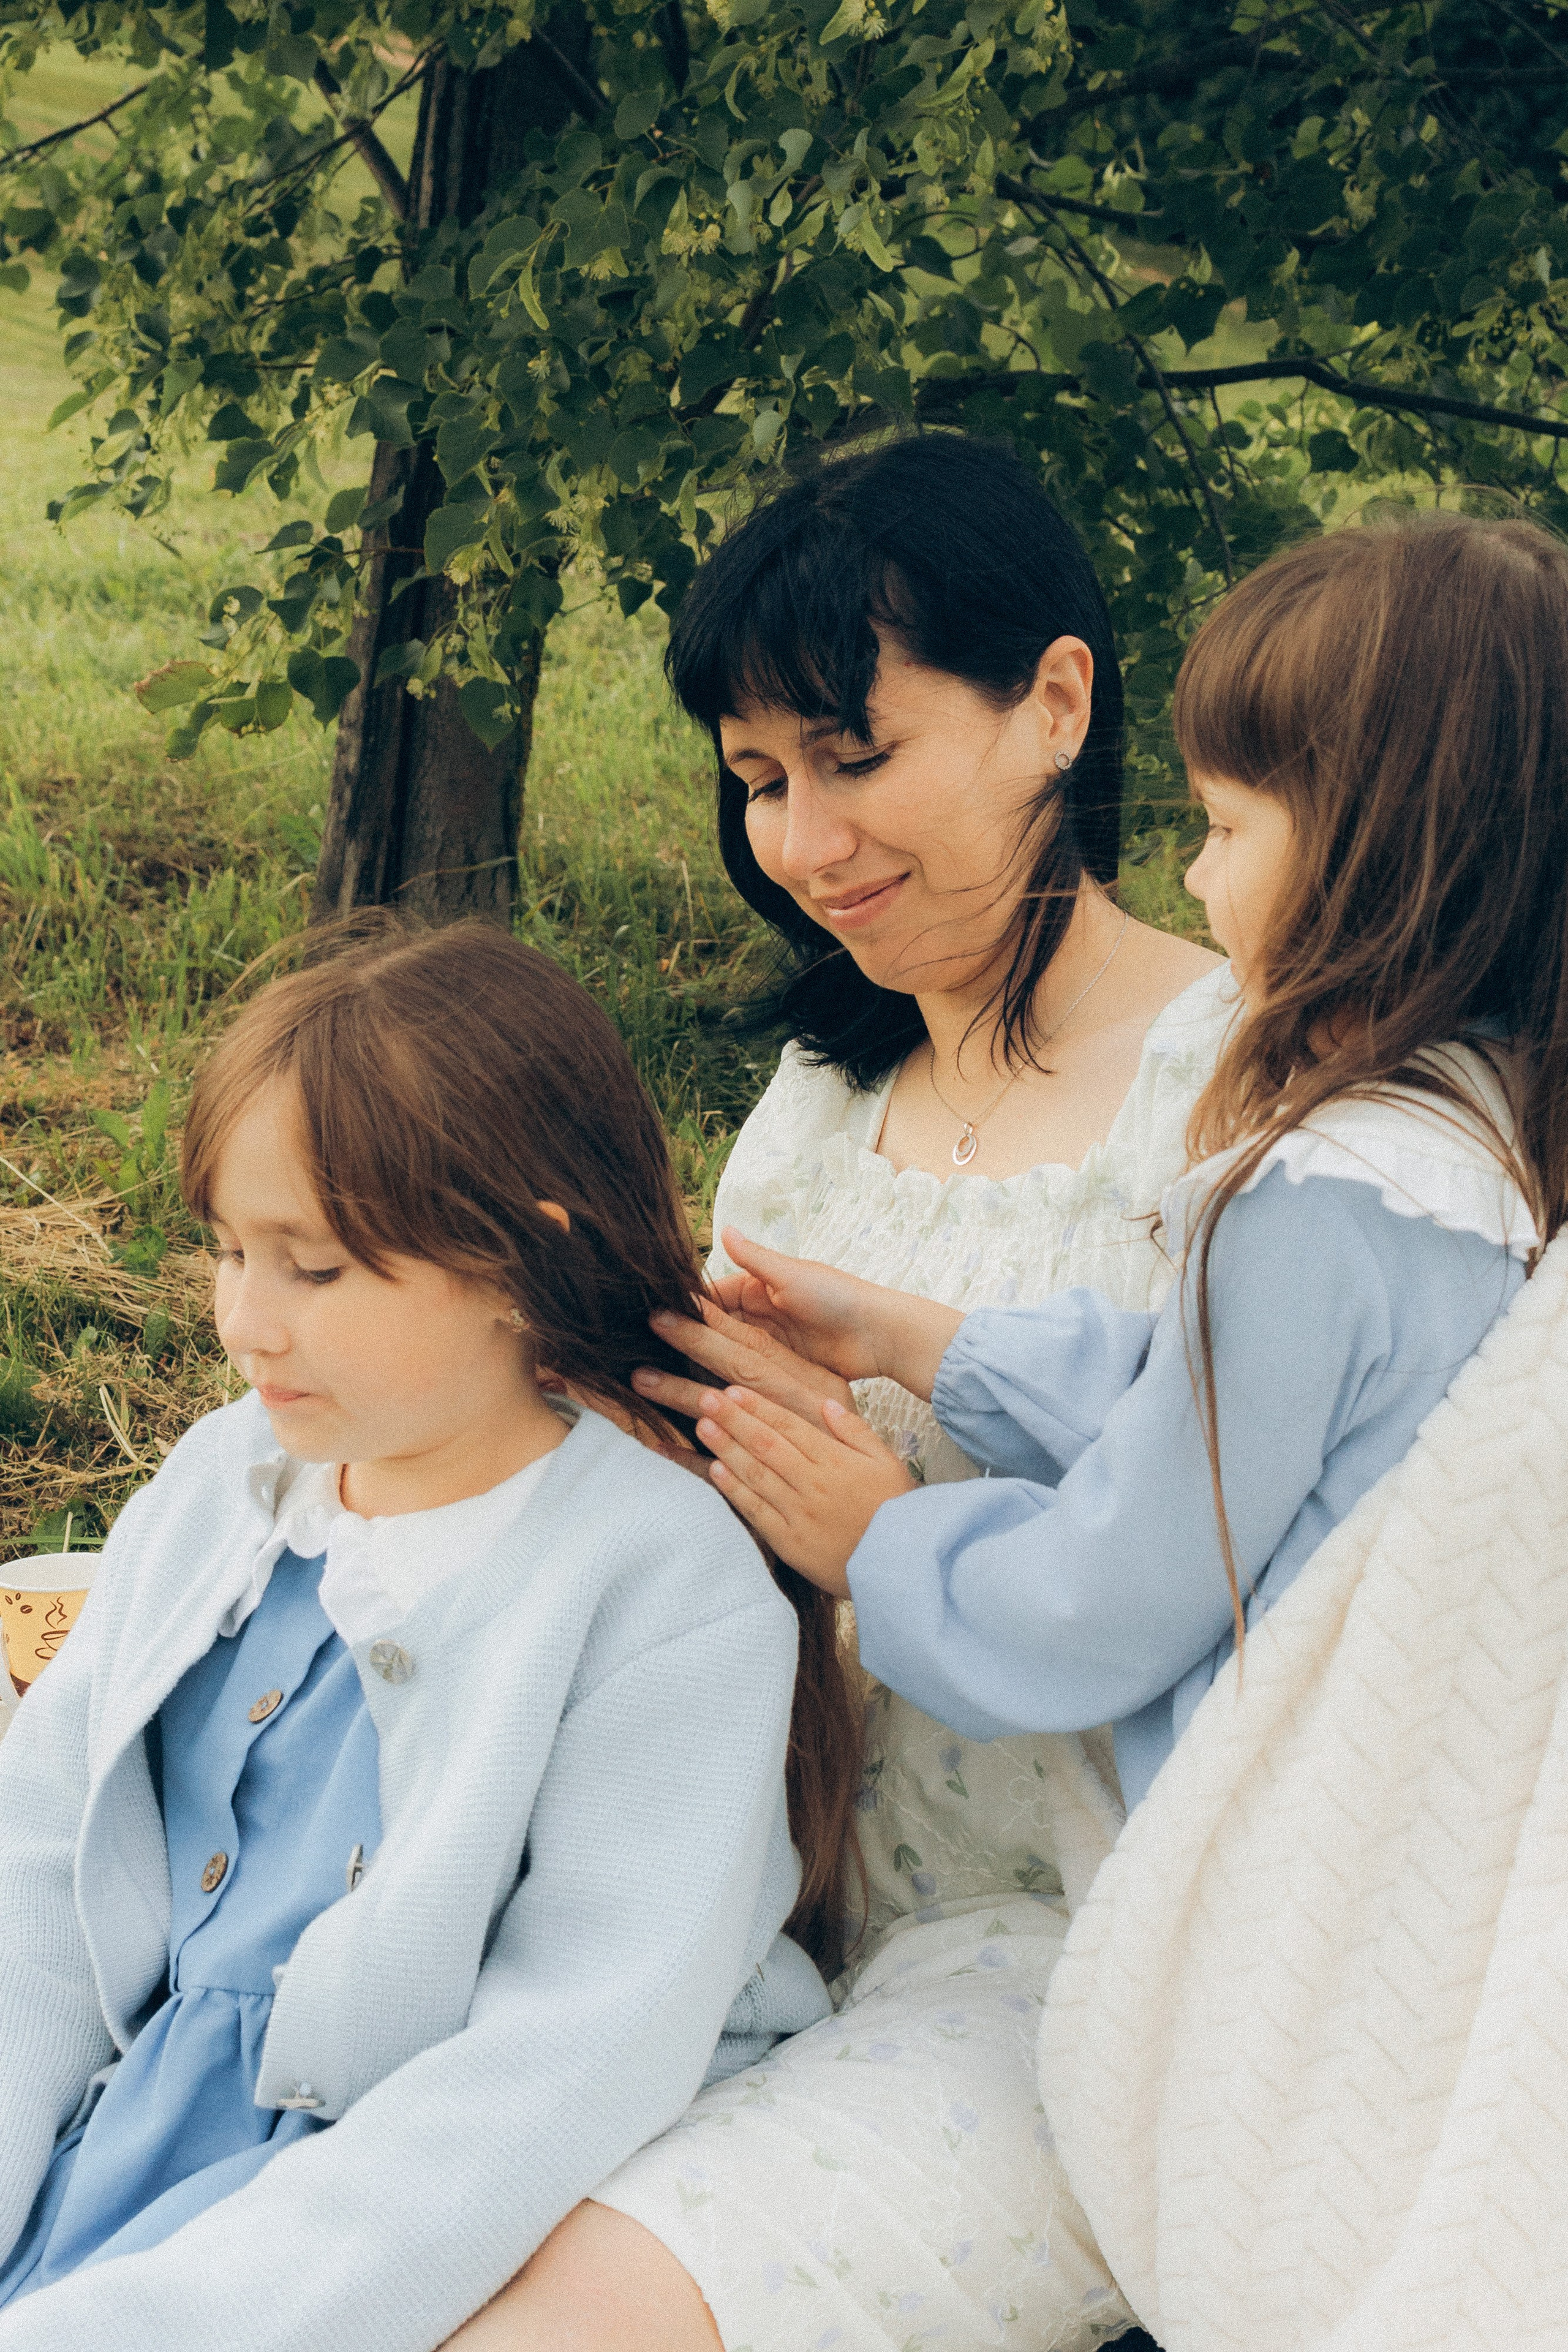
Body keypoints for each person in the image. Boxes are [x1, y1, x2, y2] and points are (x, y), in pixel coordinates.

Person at [461, 432, 1223, 2350]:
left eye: (853, 758)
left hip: (1079, 1953)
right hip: (733, 1883)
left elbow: (1302, 1590)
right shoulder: (819, 1110)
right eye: (759, 781)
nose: (800, 844)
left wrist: (898, 1540)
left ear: (1057, 702)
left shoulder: (1240, 1100)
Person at [0, 922, 849, 2352]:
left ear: (520, 1255)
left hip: (380, 2201)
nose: (245, 1324)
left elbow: (561, 2061)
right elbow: (37, 1877)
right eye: (226, 1251)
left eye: (315, 1270)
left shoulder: (651, 1581)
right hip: (125, 2142)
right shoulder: (222, 1486)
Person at [689, 512, 1560, 1844]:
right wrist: (926, 1342)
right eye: (759, 781)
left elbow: (1121, 1583)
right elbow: (1209, 1391)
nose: (1196, 871)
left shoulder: (1306, 1167)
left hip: (1208, 1885)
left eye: (1220, 829)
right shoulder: (1458, 1144)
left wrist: (883, 1538)